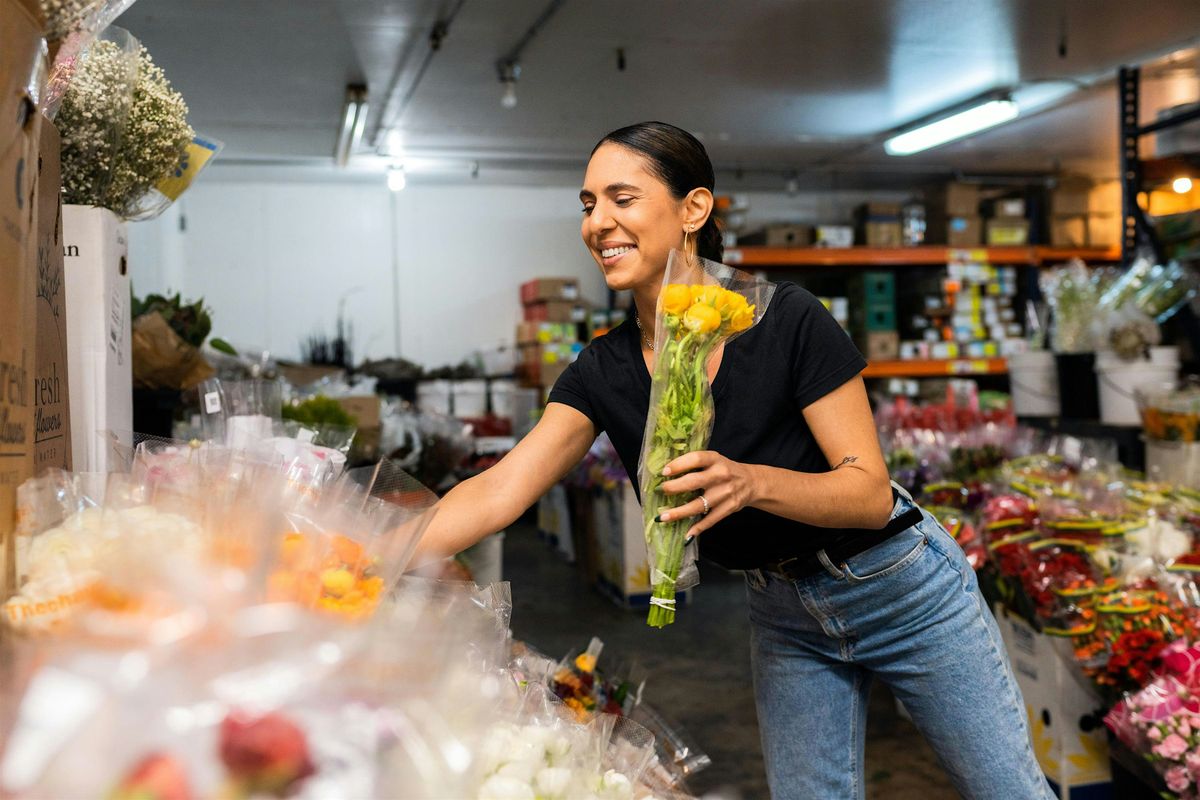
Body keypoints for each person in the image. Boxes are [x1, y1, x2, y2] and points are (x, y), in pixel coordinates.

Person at [414, 121, 1053, 800]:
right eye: (587, 203)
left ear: (694, 209)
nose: (598, 222)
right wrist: (361, 555)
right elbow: (500, 490)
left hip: (901, 589)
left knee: (1006, 789)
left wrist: (750, 482)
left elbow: (868, 493)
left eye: (621, 199)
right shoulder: (604, 367)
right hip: (785, 615)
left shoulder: (787, 321)